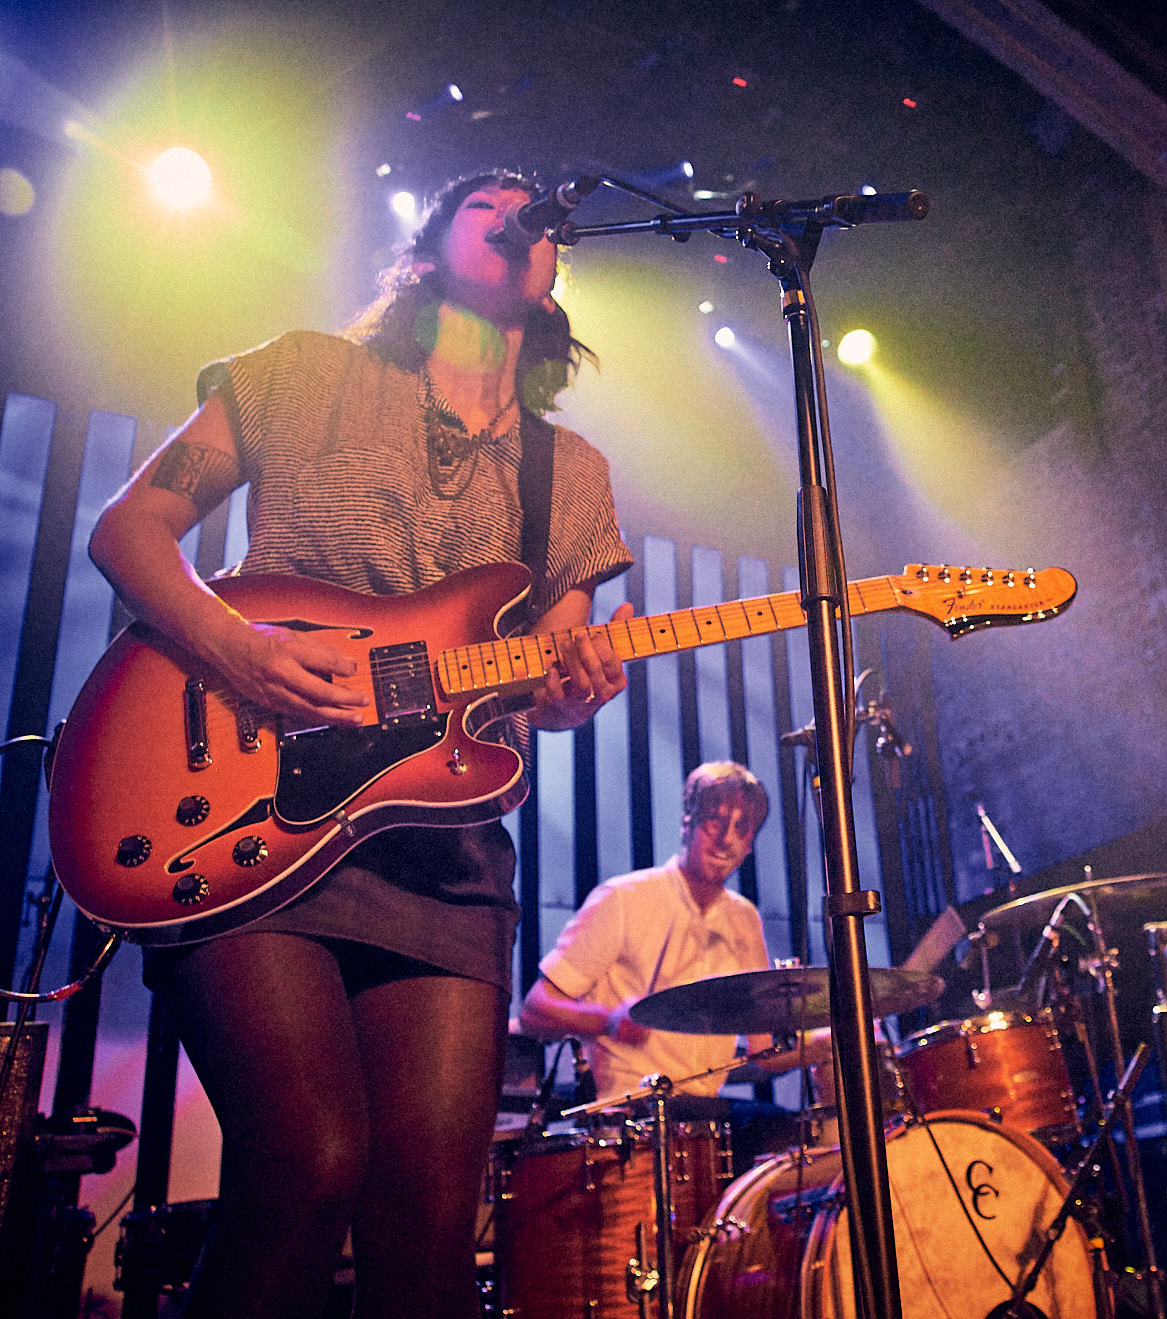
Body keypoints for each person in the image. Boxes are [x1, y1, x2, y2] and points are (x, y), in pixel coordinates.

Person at [88, 171, 636, 1319]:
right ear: (429, 249)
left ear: (553, 275)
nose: (518, 214)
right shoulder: (301, 372)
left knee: (430, 1231)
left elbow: (541, 680)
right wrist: (238, 652)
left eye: (535, 211)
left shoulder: (569, 473)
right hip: (249, 807)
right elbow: (129, 526)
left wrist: (578, 688)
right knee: (308, 1162)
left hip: (441, 858)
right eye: (488, 200)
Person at [519, 760, 777, 1101]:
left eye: (742, 827)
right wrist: (607, 1020)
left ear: (749, 846)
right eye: (716, 818)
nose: (726, 838)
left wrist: (822, 1038)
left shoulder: (745, 918)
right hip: (630, 1110)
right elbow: (535, 1010)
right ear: (688, 821)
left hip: (706, 1114)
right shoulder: (624, 898)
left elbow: (764, 1050)